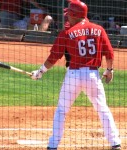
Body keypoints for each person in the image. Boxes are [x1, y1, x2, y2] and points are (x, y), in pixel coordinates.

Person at [30, 1, 121, 150]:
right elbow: (109, 53)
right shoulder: (99, 29)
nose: (67, 18)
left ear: (74, 15)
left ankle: (53, 146)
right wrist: (109, 70)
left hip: (73, 75)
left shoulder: (67, 32)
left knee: (61, 110)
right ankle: (115, 143)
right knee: (103, 109)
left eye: (68, 15)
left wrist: (40, 72)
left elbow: (54, 56)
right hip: (93, 75)